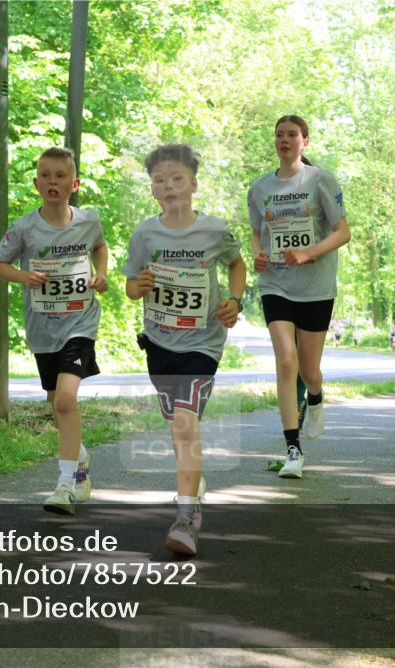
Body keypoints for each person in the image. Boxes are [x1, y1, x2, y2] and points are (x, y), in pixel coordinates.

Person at [124, 144, 246, 556]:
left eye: (176, 179)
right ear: (153, 188)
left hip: (202, 343)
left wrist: (235, 299)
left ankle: (185, 517)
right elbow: (129, 285)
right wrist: (136, 286)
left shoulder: (213, 230)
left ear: (193, 184)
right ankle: (193, 483)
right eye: (160, 180)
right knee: (179, 429)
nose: (168, 186)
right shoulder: (144, 234)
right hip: (159, 342)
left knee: (183, 421)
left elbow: (237, 263)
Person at [0, 147, 109, 515]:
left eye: (60, 176)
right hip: (43, 327)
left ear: (73, 184)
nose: (52, 181)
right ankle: (80, 456)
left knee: (64, 401)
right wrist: (25, 276)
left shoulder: (89, 220)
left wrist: (100, 272)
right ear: (36, 183)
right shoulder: (24, 227)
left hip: (81, 322)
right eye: (46, 175)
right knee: (55, 403)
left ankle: (65, 485)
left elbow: (100, 247)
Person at [249, 114, 351, 480]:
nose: (285, 140)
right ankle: (293, 448)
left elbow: (343, 232)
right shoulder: (260, 188)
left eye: (292, 134)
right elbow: (257, 232)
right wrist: (258, 254)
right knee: (285, 359)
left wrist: (311, 252)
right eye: (279, 134)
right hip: (276, 283)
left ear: (305, 141)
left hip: (317, 286)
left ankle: (317, 393)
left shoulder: (321, 179)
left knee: (309, 370)